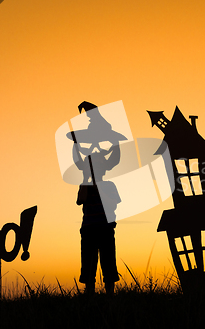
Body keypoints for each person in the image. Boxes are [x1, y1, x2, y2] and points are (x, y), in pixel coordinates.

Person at [68, 101, 126, 295]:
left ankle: (109, 291)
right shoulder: (85, 185)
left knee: (108, 261)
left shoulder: (109, 186)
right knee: (89, 262)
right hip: (90, 230)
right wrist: (86, 177)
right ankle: (90, 292)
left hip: (104, 228)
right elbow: (80, 200)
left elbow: (113, 204)